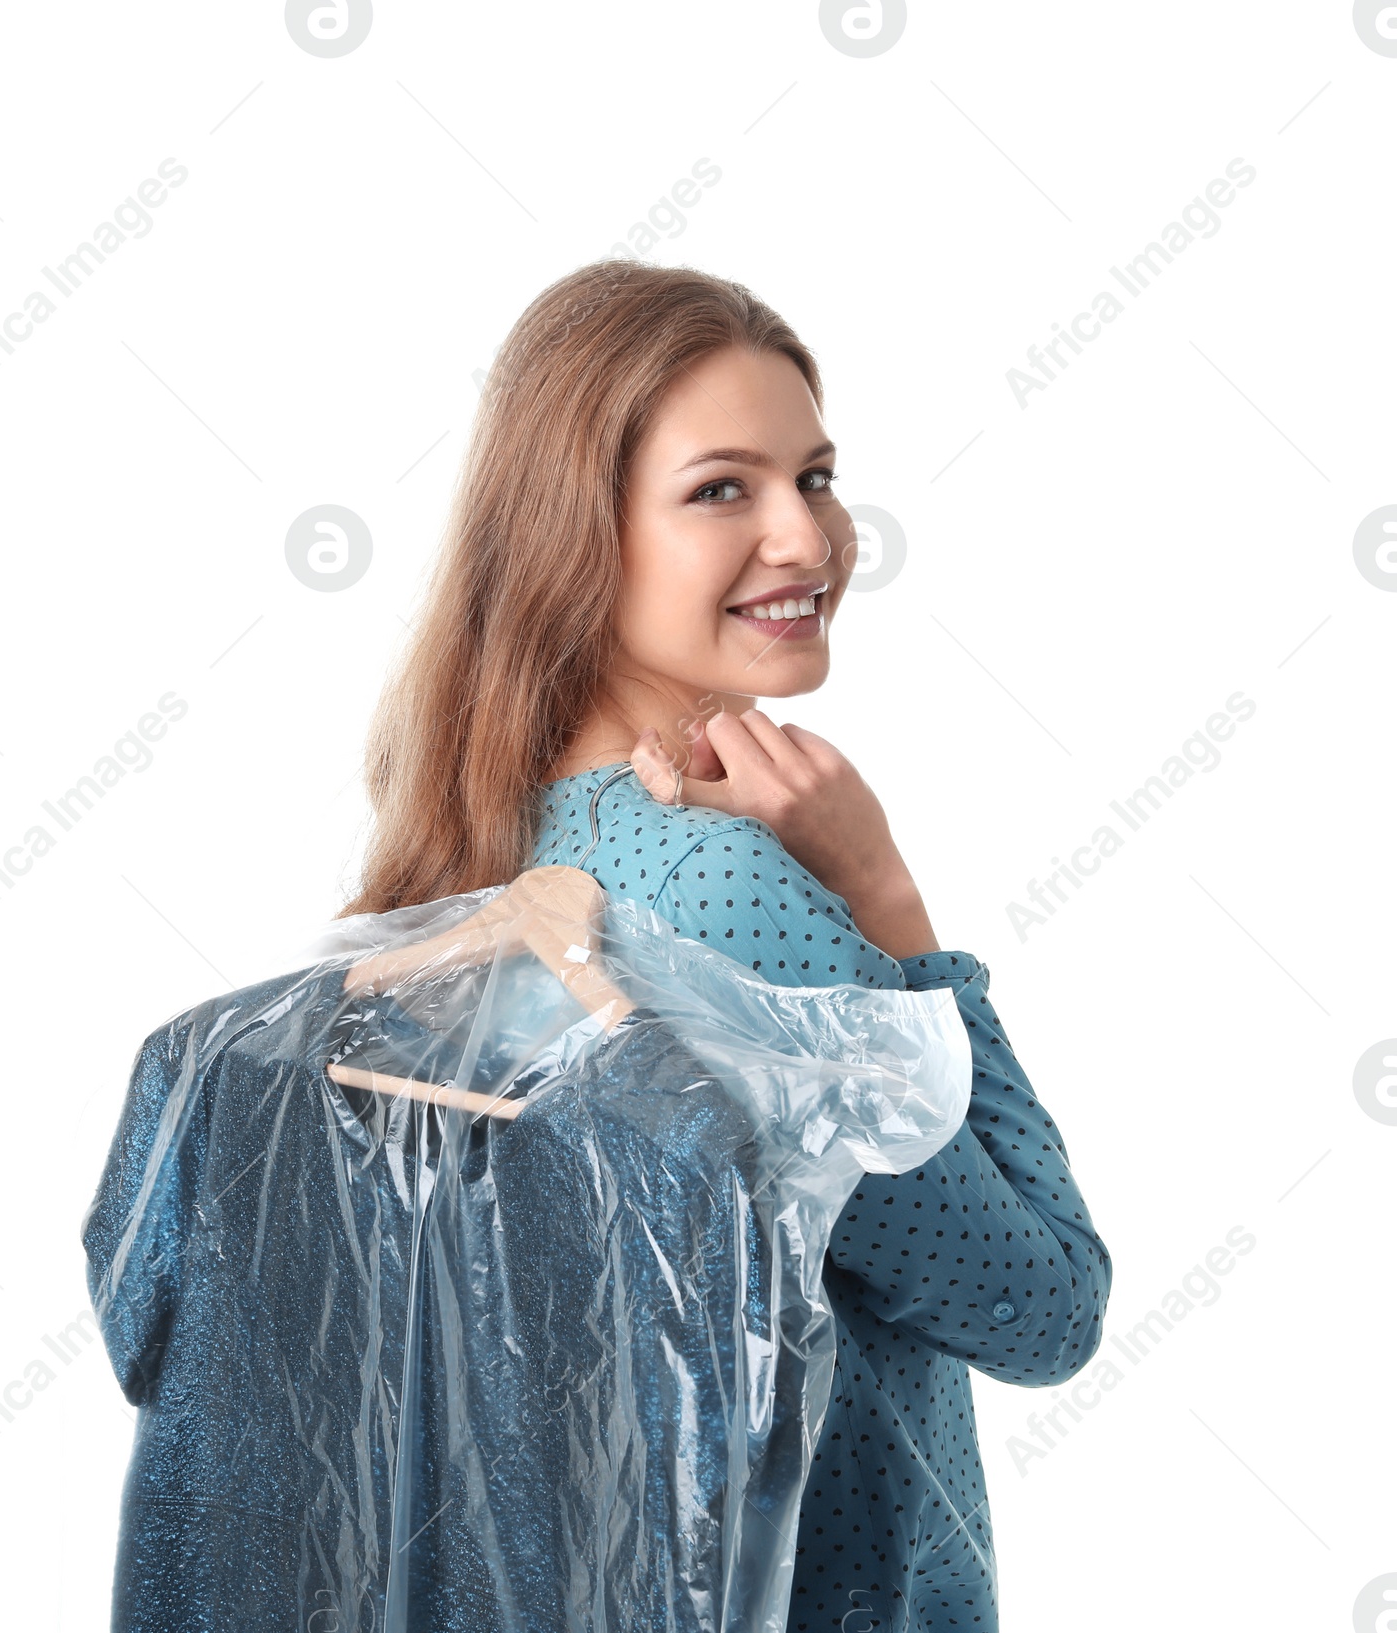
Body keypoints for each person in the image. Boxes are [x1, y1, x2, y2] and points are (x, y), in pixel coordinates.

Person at [340, 259, 1112, 1632]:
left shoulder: (472, 865)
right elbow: (1044, 1305)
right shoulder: (731, 898)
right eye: (722, 490)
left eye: (814, 477)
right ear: (582, 534)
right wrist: (881, 889)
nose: (809, 541)